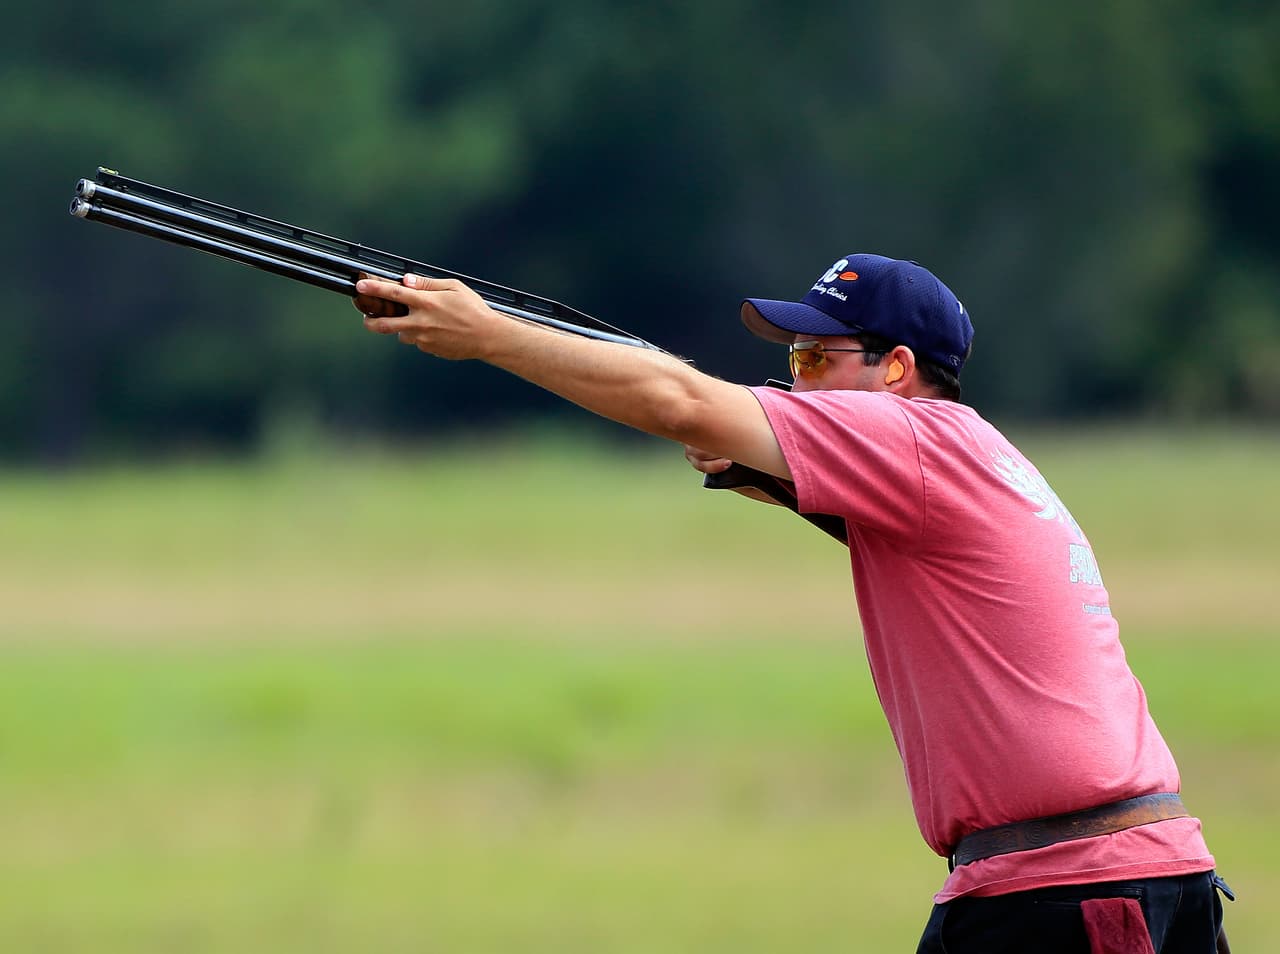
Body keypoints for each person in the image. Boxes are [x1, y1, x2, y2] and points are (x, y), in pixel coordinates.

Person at [353, 253, 1232, 953]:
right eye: (791, 360)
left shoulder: (914, 439)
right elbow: (707, 423)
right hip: (1081, 879)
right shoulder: (962, 455)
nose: (798, 383)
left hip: (1069, 891)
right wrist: (745, 455)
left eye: (819, 359)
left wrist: (486, 335)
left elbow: (677, 399)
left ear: (897, 369)